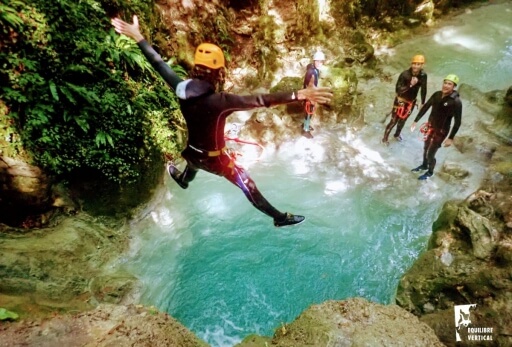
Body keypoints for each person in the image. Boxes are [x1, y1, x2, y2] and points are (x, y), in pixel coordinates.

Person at [111, 15, 333, 227]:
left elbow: (159, 64)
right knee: (248, 186)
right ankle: (279, 218)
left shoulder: (181, 88)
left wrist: (137, 36)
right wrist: (297, 94)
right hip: (216, 161)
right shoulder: (221, 101)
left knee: (193, 164)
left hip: (191, 153)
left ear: (196, 69)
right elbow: (259, 100)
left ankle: (183, 180)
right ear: (218, 73)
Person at [410, 74, 462, 180]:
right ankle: (424, 165)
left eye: (449, 84)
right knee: (425, 148)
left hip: (441, 131)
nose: (446, 86)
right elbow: (426, 107)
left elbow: (457, 122)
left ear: (454, 87)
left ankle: (430, 172)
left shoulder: (456, 102)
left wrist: (450, 138)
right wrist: (416, 120)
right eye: (445, 83)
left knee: (431, 153)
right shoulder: (437, 95)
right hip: (431, 126)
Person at [382, 55, 427, 145]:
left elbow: (423, 89)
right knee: (394, 121)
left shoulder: (423, 75)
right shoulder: (405, 74)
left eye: (418, 64)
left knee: (403, 120)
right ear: (411, 64)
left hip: (411, 102)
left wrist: (422, 102)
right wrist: (410, 85)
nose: (416, 66)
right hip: (400, 100)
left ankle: (397, 134)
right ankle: (385, 138)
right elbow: (398, 90)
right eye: (414, 64)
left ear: (422, 65)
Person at [301, 50, 325, 139]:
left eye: (321, 61)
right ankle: (305, 130)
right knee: (308, 112)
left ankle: (305, 125)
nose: (319, 63)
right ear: (314, 61)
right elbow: (307, 85)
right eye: (317, 61)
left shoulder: (315, 70)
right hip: (309, 94)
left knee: (309, 112)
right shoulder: (311, 72)